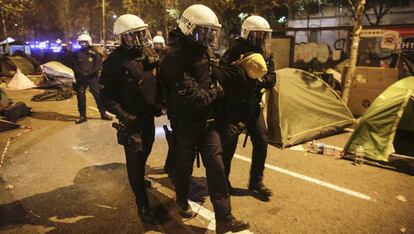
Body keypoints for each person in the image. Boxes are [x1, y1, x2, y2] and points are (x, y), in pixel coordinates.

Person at [159, 4, 250, 233]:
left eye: (211, 32)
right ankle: (181, 201)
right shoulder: (174, 60)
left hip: (208, 123)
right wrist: (218, 90)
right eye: (204, 32)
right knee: (184, 168)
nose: (209, 38)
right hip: (186, 124)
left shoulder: (202, 52)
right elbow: (195, 99)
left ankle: (224, 220)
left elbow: (207, 84)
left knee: (217, 170)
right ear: (189, 28)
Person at [100, 14, 160, 224]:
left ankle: (140, 178)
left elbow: (154, 81)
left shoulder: (147, 53)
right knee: (135, 161)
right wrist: (125, 116)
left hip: (147, 117)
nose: (140, 39)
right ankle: (143, 205)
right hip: (130, 120)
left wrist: (159, 103)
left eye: (141, 34)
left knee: (146, 151)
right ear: (122, 39)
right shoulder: (113, 63)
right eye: (133, 36)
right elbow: (106, 97)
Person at [219, 15, 276, 199]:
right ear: (248, 34)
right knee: (229, 145)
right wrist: (241, 77)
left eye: (264, 36)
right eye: (258, 35)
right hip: (234, 106)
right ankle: (223, 182)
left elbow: (272, 78)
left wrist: (257, 82)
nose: (262, 39)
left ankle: (256, 183)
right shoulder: (234, 52)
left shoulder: (266, 55)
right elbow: (223, 74)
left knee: (261, 140)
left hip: (253, 105)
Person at [73, 34, 112, 124]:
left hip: (92, 78)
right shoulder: (76, 53)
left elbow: (97, 65)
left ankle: (103, 113)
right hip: (81, 78)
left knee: (98, 96)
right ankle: (82, 116)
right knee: (81, 97)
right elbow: (74, 65)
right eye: (81, 42)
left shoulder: (94, 52)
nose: (83, 44)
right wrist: (80, 73)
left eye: (84, 42)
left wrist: (89, 73)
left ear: (88, 42)